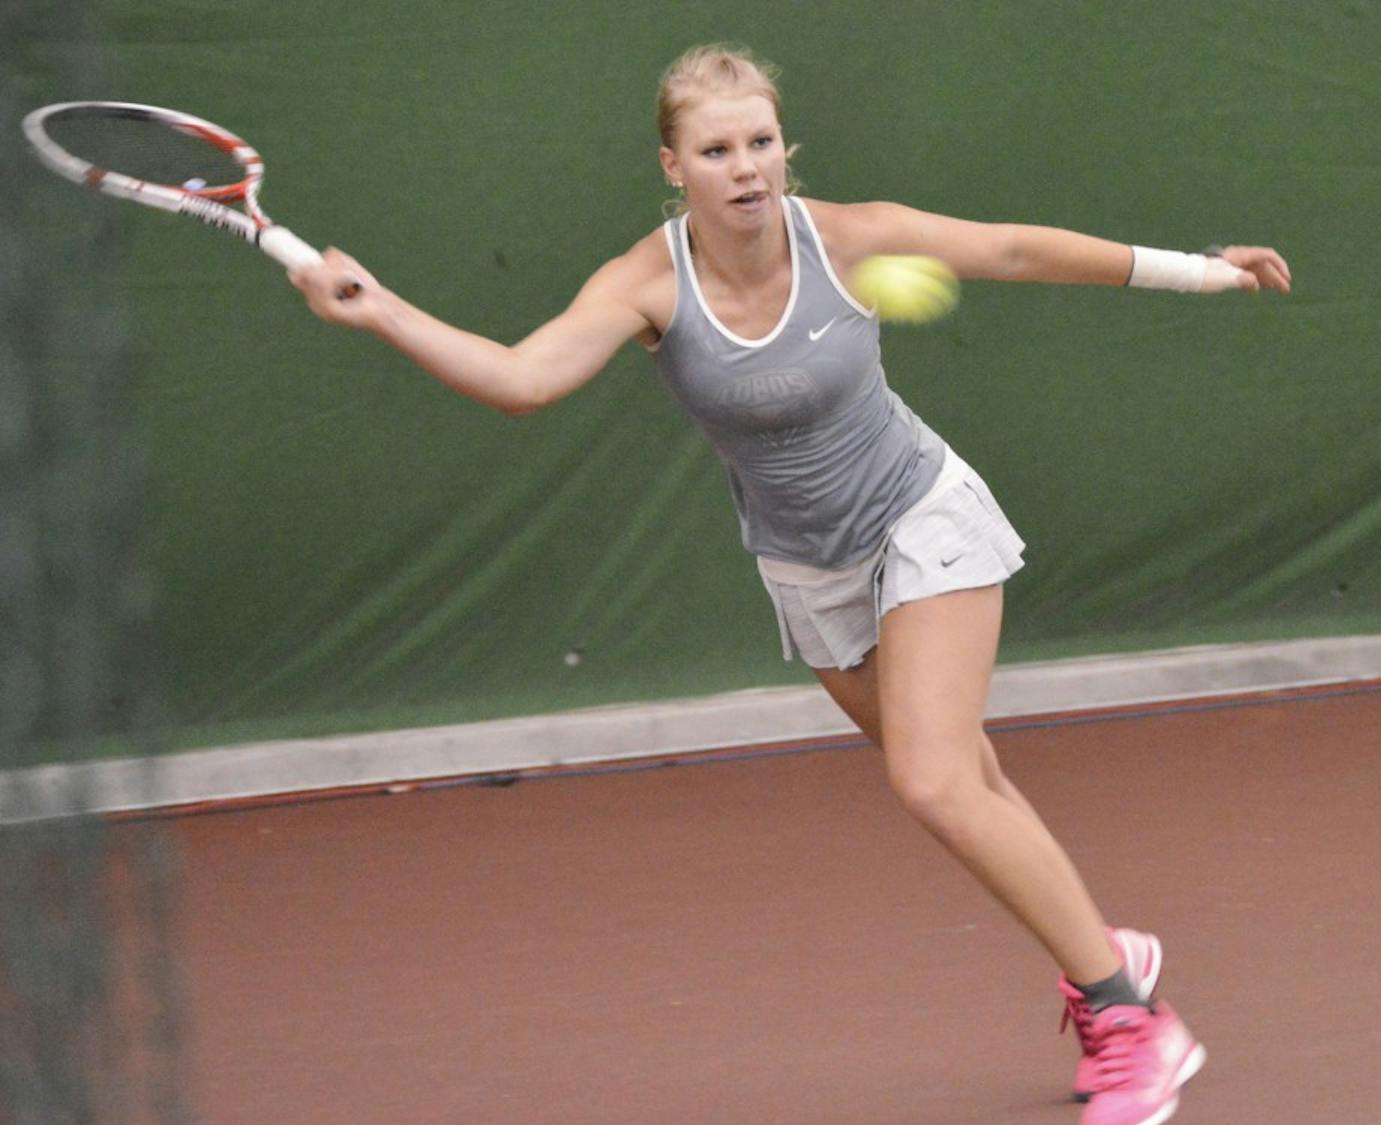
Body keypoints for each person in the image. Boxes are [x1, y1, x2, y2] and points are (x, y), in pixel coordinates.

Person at [292, 43, 1291, 1125]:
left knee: (934, 781)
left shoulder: (846, 236)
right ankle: (1105, 947)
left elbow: (1011, 247)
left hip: (922, 517)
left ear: (784, 149)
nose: (745, 167)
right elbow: (525, 381)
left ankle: (1131, 1019)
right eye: (716, 149)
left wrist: (1204, 269)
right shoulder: (646, 284)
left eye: (761, 141)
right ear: (673, 165)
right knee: (970, 784)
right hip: (808, 568)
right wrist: (381, 309)